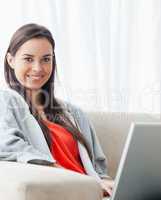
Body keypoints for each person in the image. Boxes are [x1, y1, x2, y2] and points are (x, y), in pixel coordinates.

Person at [2, 23, 114, 197]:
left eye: (46, 59)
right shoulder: (5, 100)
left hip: (91, 193)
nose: (38, 68)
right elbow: (7, 145)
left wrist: (104, 181)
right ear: (11, 60)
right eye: (28, 59)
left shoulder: (73, 112)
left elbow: (98, 165)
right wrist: (57, 170)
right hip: (60, 192)